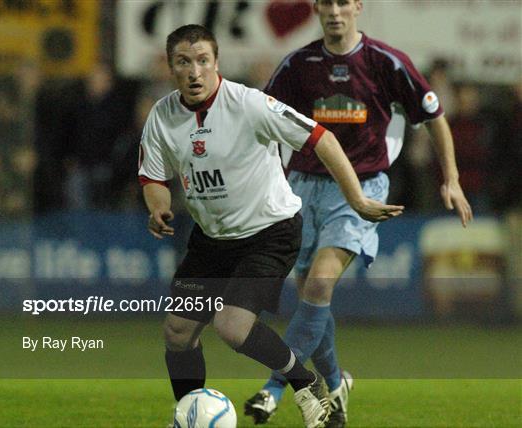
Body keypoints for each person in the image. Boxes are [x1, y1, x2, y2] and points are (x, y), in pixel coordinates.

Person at [138, 24, 403, 428]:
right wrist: (158, 208)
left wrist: (357, 199)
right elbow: (153, 177)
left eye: (203, 61)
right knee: (177, 331)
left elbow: (322, 138)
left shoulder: (250, 104)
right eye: (184, 62)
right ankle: (190, 416)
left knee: (232, 326)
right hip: (212, 240)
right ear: (171, 67)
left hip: (269, 232)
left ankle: (305, 382)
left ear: (216, 63)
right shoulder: (162, 115)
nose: (194, 71)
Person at [245, 1, 473, 427]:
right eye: (326, 2)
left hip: (364, 188)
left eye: (343, 2)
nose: (335, 11)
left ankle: (274, 387)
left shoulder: (386, 62)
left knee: (320, 282)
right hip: (303, 189)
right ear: (315, 8)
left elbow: (434, 116)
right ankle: (335, 385)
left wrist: (452, 178)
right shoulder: (298, 65)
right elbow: (260, 120)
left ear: (358, 7)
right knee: (313, 299)